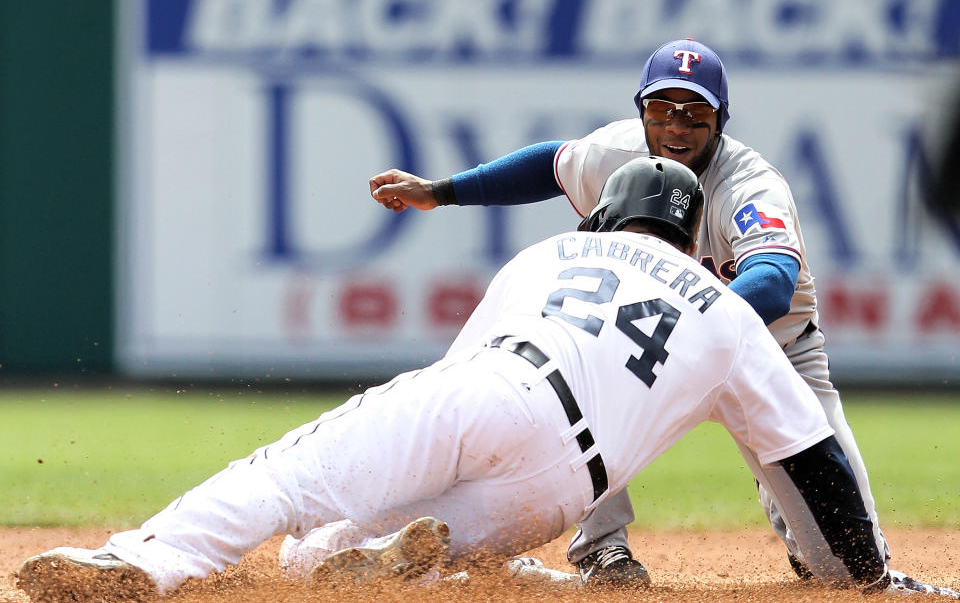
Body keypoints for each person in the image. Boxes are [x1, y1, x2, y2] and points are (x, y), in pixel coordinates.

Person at [19, 158, 898, 601]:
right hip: (559, 488)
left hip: (494, 386)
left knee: (294, 478)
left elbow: (459, 383)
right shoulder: (726, 311)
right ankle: (386, 563)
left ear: (603, 212)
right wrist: (867, 575)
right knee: (333, 559)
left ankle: (142, 560)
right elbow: (812, 456)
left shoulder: (555, 247)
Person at [366, 38, 953, 594]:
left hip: (771, 351)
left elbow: (773, 282)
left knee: (843, 559)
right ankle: (601, 546)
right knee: (585, 385)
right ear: (642, 112)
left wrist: (696, 322)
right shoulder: (617, 155)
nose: (677, 125)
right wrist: (440, 191)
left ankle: (803, 533)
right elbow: (549, 164)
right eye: (662, 108)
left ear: (720, 119)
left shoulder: (750, 185)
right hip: (653, 342)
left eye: (695, 112)